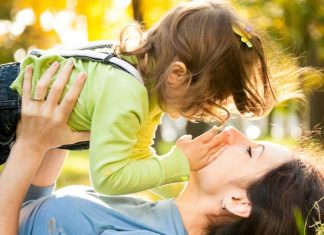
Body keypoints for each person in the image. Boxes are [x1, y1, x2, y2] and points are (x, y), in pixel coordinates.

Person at [0, 1, 284, 197]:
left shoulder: (148, 92)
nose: (196, 114)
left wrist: (185, 185)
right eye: (201, 101)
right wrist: (178, 163)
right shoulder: (127, 93)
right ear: (177, 74)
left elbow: (138, 156)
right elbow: (108, 178)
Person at [1, 63, 323, 235]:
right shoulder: (149, 212)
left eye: (249, 151)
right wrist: (61, 130)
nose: (232, 135)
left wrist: (30, 146)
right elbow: (34, 219)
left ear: (238, 201)